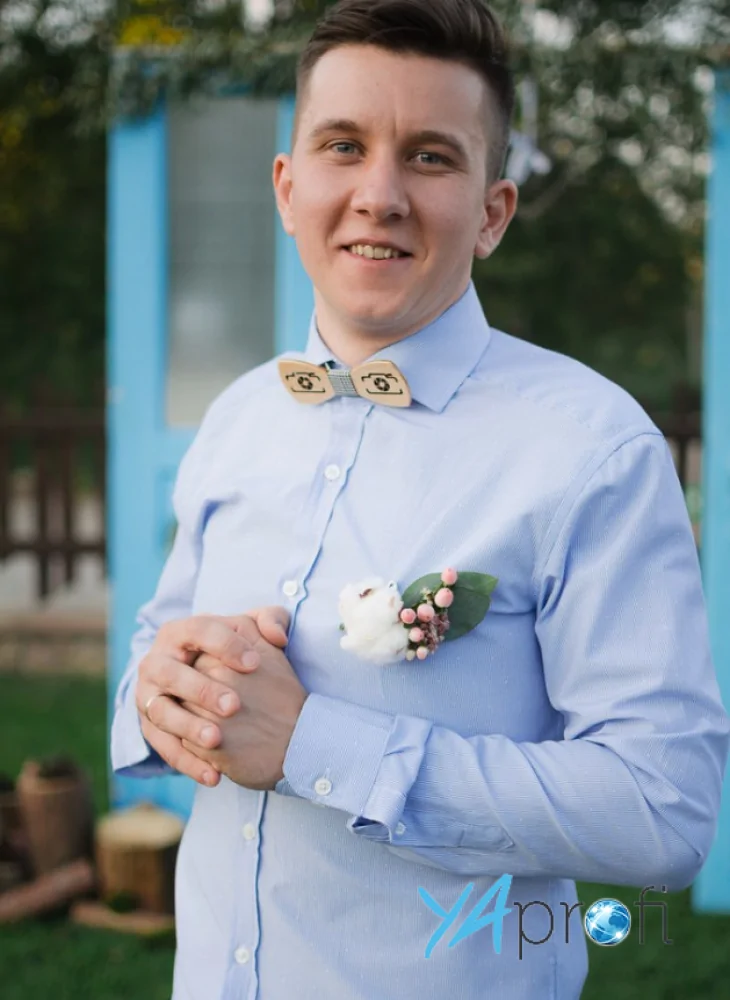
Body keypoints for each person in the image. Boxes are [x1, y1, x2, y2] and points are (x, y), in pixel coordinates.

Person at [110, 1, 730, 997]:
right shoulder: (237, 417)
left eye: (431, 157)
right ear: (288, 186)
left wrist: (315, 746)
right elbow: (155, 646)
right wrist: (160, 694)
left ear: (492, 212)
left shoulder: (591, 450)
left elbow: (663, 808)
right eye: (343, 146)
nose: (379, 195)